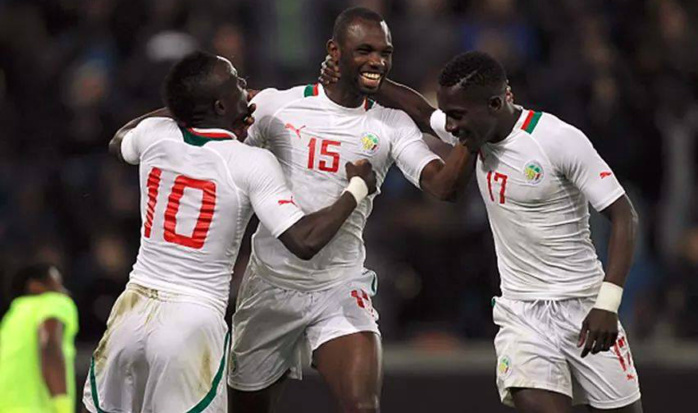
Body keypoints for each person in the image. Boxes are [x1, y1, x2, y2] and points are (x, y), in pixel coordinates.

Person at [82, 50, 377, 413]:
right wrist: (356, 189)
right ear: (220, 106)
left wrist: (184, 110)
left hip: (131, 311)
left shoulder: (154, 136)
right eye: (237, 82)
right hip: (191, 321)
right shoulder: (249, 162)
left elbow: (118, 140)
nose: (245, 87)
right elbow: (304, 241)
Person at [358, 51, 643, 412]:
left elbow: (624, 215)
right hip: (521, 316)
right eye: (449, 115)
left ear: (495, 103)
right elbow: (419, 111)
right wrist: (375, 84)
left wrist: (607, 304)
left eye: (458, 116)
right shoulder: (473, 127)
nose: (452, 127)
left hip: (584, 307)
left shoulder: (557, 140)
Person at [229, 7, 474, 413]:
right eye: (364, 50)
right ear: (334, 50)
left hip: (339, 286)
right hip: (270, 285)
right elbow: (213, 131)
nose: (377, 60)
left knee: (362, 406)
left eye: (385, 52)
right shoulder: (279, 107)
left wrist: (471, 134)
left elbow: (443, 186)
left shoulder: (390, 124)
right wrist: (150, 129)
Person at [0, 263, 79, 413]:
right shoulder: (53, 302)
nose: (64, 291)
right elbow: (49, 344)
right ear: (36, 286)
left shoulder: (11, 317)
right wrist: (63, 406)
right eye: (57, 284)